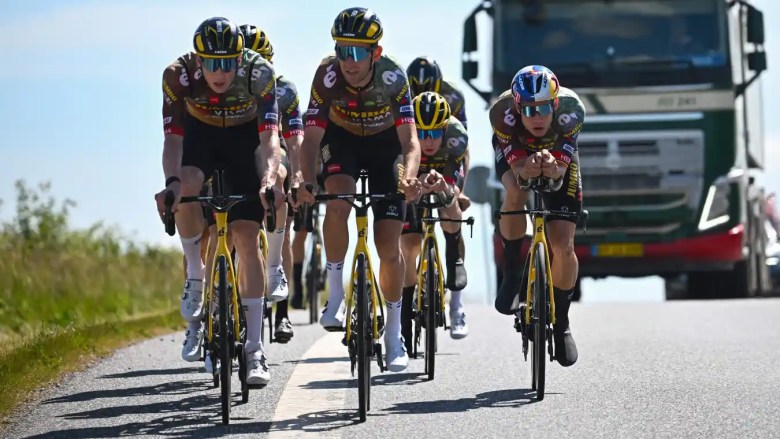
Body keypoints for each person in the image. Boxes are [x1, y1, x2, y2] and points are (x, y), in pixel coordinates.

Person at [154, 16, 284, 385]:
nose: (220, 72)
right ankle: (196, 273)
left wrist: (269, 178)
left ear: (240, 59)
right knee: (188, 184)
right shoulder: (177, 75)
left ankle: (255, 351)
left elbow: (269, 139)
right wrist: (171, 184)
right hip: (201, 138)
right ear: (198, 60)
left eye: (228, 62)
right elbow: (174, 142)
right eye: (211, 63)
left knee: (245, 236)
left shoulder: (260, 74)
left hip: (245, 142)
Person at [296, 7, 422, 372]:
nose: (348, 61)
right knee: (338, 200)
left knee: (388, 245)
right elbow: (311, 139)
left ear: (375, 53)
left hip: (386, 148)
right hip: (343, 142)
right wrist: (305, 179)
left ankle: (395, 334)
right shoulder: (327, 76)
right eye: (341, 50)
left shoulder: (394, 78)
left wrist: (410, 178)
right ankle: (334, 296)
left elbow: (410, 142)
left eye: (357, 52)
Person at [489, 65, 585, 367]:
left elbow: (558, 173)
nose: (537, 117)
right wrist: (526, 168)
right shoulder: (501, 114)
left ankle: (562, 324)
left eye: (544, 108)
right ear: (517, 107)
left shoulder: (571, 111)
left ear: (555, 104)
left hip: (558, 156)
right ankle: (514, 270)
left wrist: (552, 167)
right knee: (515, 191)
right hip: (516, 152)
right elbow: (517, 171)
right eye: (528, 110)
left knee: (563, 245)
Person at [240, 24, 301, 343]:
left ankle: (282, 314)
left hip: (274, 153)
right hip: (237, 153)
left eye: (260, 61)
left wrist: (298, 177)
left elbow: (294, 140)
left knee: (283, 229)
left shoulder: (284, 90)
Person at [400, 91, 470, 351]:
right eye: (422, 133)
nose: (428, 141)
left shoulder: (456, 136)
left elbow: (455, 174)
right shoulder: (403, 136)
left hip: (444, 172)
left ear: (445, 129)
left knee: (450, 203)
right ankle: (406, 311)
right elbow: (399, 177)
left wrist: (451, 191)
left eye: (434, 134)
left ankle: (454, 255)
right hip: (413, 175)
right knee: (408, 245)